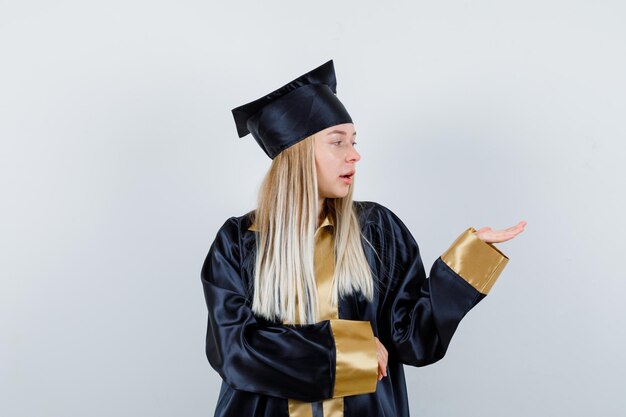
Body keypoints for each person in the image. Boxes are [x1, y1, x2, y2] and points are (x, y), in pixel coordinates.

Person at [201, 59, 526, 417]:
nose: (354, 154)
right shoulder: (239, 242)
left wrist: (469, 260)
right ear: (297, 154)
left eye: (353, 141)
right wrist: (352, 351)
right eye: (337, 142)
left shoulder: (377, 230)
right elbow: (235, 352)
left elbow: (414, 340)